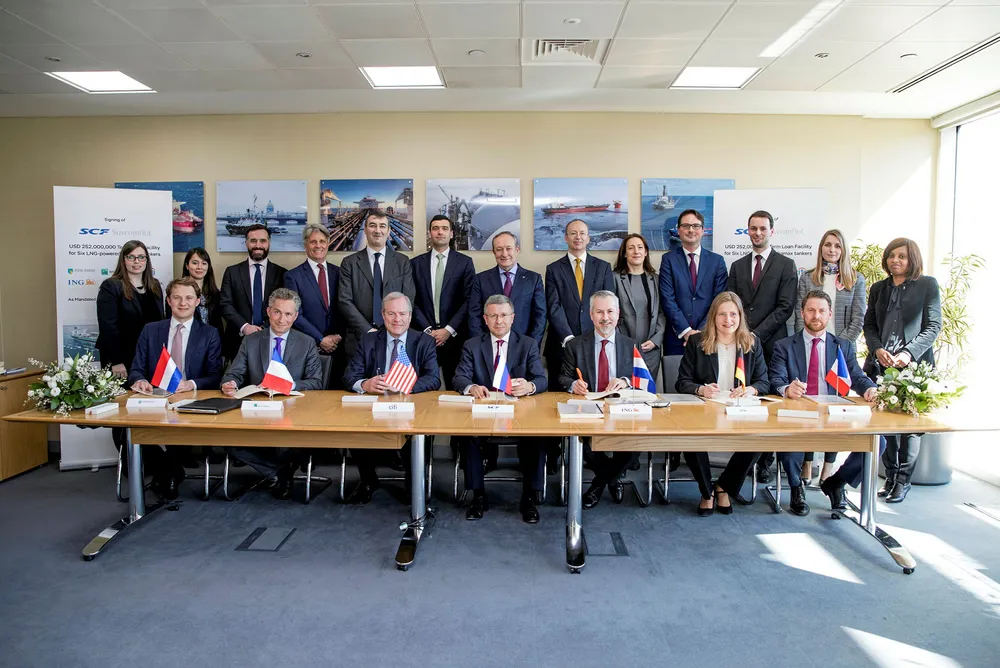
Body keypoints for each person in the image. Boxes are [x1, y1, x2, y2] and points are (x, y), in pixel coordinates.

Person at [769, 290, 878, 516]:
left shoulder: (843, 346)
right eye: (810, 310)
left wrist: (869, 388)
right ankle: (796, 486)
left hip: (833, 414)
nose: (816, 315)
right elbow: (776, 380)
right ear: (802, 313)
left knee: (879, 442)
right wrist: (787, 389)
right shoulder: (784, 346)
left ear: (829, 314)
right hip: (799, 413)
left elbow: (857, 377)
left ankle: (837, 483)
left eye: (821, 311)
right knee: (788, 441)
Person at [453, 294, 548, 524]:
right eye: (493, 316)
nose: (499, 321)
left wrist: (529, 386)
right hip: (483, 413)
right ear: (485, 319)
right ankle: (478, 495)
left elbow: (542, 379)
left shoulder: (527, 344)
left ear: (512, 318)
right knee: (467, 435)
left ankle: (529, 497)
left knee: (539, 435)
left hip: (519, 414)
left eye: (504, 315)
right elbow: (459, 377)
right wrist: (471, 387)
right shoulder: (472, 345)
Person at [221, 288, 323, 500]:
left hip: (295, 412)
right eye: (277, 312)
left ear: (295, 316)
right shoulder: (251, 340)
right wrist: (229, 383)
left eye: (288, 314)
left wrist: (288, 385)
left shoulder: (306, 342)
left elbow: (316, 382)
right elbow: (234, 373)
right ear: (268, 312)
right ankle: (280, 472)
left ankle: (278, 472)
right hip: (258, 410)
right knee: (228, 440)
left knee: (286, 442)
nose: (281, 319)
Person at [128, 277, 223, 499]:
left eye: (189, 298)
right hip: (155, 396)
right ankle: (168, 470)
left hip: (190, 397)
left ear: (197, 301)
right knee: (122, 431)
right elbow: (136, 369)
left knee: (177, 426)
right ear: (169, 301)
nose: (183, 303)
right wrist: (140, 380)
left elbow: (215, 376)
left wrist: (191, 384)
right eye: (177, 297)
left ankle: (168, 475)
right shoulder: (151, 330)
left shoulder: (209, 333)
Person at [676, 292, 770, 516]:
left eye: (733, 314)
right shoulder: (697, 342)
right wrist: (701, 389)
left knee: (760, 439)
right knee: (690, 439)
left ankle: (724, 486)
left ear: (740, 316)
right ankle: (706, 491)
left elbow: (764, 382)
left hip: (740, 410)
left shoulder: (751, 343)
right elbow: (682, 382)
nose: (728, 320)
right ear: (713, 317)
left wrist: (750, 389)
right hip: (705, 410)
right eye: (722, 314)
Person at [342, 292, 441, 505]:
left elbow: (433, 379)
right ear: (383, 315)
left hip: (411, 408)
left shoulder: (424, 341)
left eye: (402, 314)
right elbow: (349, 377)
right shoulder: (368, 340)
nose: (397, 319)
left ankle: (413, 484)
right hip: (374, 408)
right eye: (391, 314)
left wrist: (405, 385)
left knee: (417, 434)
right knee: (353, 429)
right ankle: (368, 481)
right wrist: (365, 384)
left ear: (410, 316)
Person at [862, 238, 941, 503]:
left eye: (902, 256)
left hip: (914, 367)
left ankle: (903, 481)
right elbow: (869, 325)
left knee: (910, 427)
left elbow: (933, 326)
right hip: (882, 365)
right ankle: (890, 475)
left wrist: (908, 353)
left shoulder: (927, 285)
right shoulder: (878, 288)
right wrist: (877, 350)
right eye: (891, 255)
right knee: (885, 425)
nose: (895, 260)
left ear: (912, 259)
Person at [727, 209, 797, 482]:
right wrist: (745, 334)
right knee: (744, 397)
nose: (757, 233)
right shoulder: (737, 266)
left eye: (762, 228)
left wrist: (756, 334)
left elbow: (786, 306)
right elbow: (732, 304)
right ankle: (743, 457)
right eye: (753, 228)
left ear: (771, 231)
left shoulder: (786, 265)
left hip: (772, 345)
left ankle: (765, 461)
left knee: (769, 402)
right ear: (748, 231)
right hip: (741, 344)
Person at [794, 229, 867, 485]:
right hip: (810, 346)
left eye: (837, 245)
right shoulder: (808, 278)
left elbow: (858, 317)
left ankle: (828, 465)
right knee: (807, 404)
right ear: (821, 248)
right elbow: (799, 314)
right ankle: (806, 462)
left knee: (835, 410)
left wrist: (839, 345)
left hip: (839, 351)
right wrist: (802, 343)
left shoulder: (855, 279)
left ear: (843, 249)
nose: (832, 250)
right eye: (827, 245)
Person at [558, 290, 638, 509]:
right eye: (600, 312)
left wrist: (625, 381)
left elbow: (641, 379)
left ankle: (599, 483)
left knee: (635, 445)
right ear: (591, 315)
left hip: (621, 409)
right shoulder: (575, 345)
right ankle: (612, 478)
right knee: (582, 442)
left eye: (610, 311)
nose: (605, 318)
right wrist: (572, 384)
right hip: (588, 409)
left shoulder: (631, 344)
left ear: (618, 313)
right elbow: (563, 377)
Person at [96, 240, 165, 464]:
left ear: (147, 260)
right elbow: (108, 326)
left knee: (147, 410)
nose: (137, 262)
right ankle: (129, 465)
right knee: (123, 412)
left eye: (141, 257)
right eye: (131, 257)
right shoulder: (111, 286)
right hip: (120, 360)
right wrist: (117, 361)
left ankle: (150, 462)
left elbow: (161, 323)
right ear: (123, 260)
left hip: (148, 358)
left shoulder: (154, 286)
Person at [658, 209, 728, 393]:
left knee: (709, 391)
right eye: (686, 226)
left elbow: (719, 300)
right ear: (679, 230)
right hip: (677, 338)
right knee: (677, 390)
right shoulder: (668, 260)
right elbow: (667, 298)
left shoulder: (717, 261)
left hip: (709, 337)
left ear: (703, 230)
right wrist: (687, 332)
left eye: (696, 226)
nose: (691, 230)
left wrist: (701, 332)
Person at [338, 210, 415, 361]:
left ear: (389, 231)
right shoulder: (349, 263)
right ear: (365, 230)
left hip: (395, 337)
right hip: (359, 338)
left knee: (393, 377)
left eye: (382, 226)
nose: (377, 230)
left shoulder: (402, 262)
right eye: (373, 225)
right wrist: (368, 330)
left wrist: (392, 328)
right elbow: (344, 301)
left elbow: (408, 298)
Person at [410, 214, 476, 390]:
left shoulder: (465, 263)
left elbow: (469, 300)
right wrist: (428, 330)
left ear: (452, 234)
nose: (440, 232)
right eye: (435, 228)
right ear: (429, 233)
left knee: (456, 390)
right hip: (423, 337)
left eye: (445, 228)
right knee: (420, 389)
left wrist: (448, 330)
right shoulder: (415, 264)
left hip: (454, 338)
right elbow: (411, 300)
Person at [543, 219, 614, 379]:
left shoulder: (603, 267)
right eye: (573, 233)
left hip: (595, 343)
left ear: (588, 238)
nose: (578, 237)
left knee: (593, 391)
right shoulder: (553, 269)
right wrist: (568, 337)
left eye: (582, 233)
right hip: (560, 345)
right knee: (558, 392)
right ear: (566, 238)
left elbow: (609, 306)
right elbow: (554, 306)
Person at [284, 223, 343, 388]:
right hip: (308, 347)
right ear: (305, 245)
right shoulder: (293, 276)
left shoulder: (340, 272)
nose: (318, 246)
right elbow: (295, 314)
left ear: (328, 244)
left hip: (339, 347)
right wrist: (320, 339)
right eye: (313, 242)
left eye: (322, 241)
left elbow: (346, 306)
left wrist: (339, 336)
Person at [219, 224, 287, 361]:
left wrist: (265, 328)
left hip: (273, 340)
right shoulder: (232, 272)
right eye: (253, 241)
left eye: (263, 241)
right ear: (246, 243)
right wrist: (244, 327)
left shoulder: (282, 273)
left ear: (269, 243)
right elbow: (225, 305)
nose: (258, 245)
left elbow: (285, 307)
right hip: (238, 342)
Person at [468, 232, 546, 346]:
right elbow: (474, 316)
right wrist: (482, 346)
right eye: (499, 249)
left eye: (508, 248)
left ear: (517, 250)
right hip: (488, 346)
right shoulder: (480, 279)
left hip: (523, 347)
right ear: (494, 252)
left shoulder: (533, 279)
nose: (504, 254)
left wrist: (530, 346)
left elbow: (540, 316)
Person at [613, 233, 666, 379]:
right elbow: (610, 313)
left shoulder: (656, 279)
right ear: (624, 254)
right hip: (623, 347)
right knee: (623, 388)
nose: (636, 251)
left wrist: (656, 340)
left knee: (647, 390)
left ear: (646, 252)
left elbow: (661, 312)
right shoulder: (614, 278)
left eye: (640, 247)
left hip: (651, 349)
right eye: (631, 248)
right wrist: (621, 341)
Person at [181, 247, 224, 343]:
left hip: (213, 343)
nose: (200, 267)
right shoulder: (178, 292)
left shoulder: (215, 293)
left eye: (204, 263)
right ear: (187, 265)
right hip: (189, 342)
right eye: (195, 263)